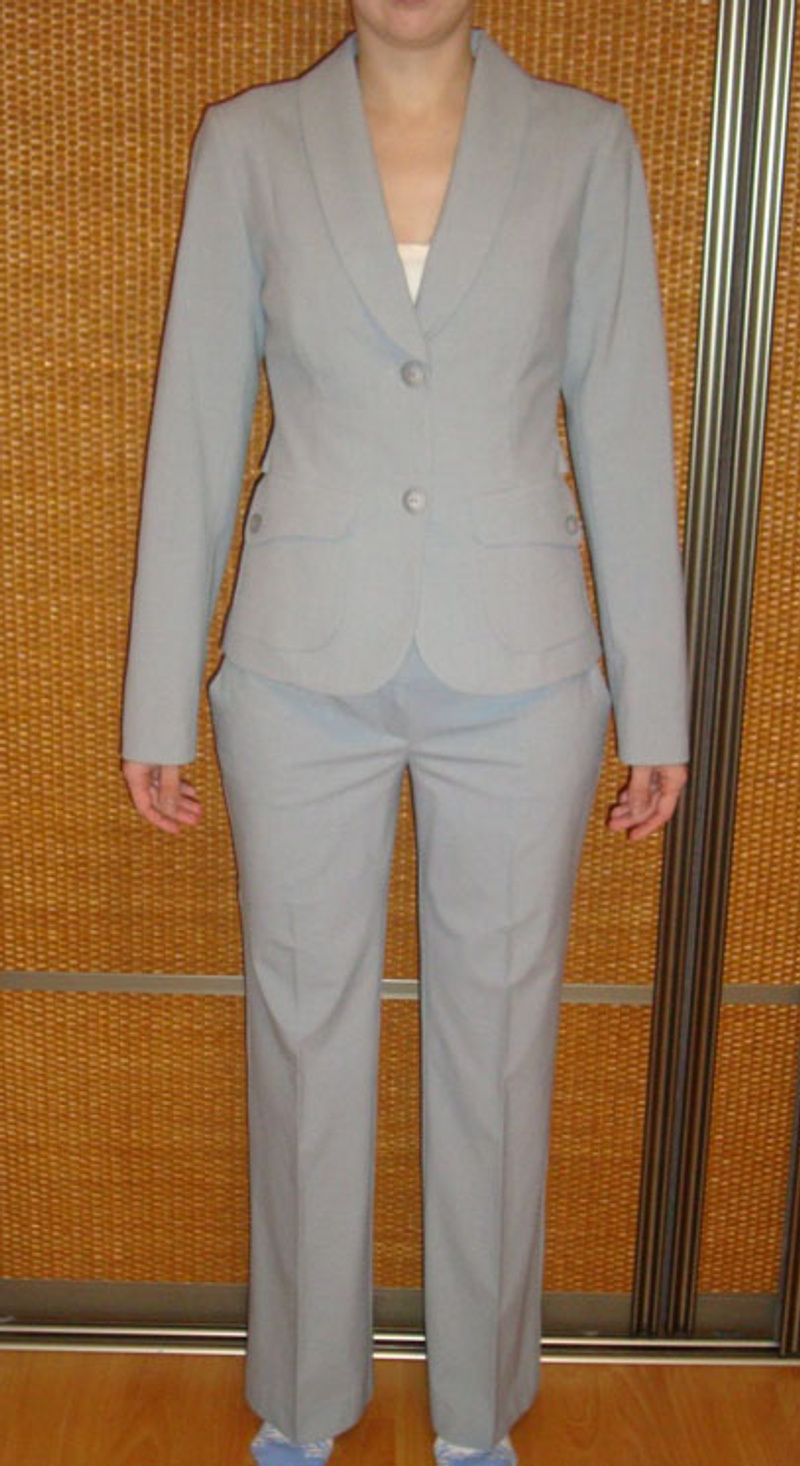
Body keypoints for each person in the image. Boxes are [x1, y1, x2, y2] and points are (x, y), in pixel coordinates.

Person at [120, 2, 690, 1462]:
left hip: (523, 670)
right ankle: (306, 1403)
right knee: (301, 1033)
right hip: (300, 666)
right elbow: (198, 417)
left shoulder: (584, 145)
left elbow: (623, 421)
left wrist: (659, 697)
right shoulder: (250, 144)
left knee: (498, 1040)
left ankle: (477, 1413)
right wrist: (157, 691)